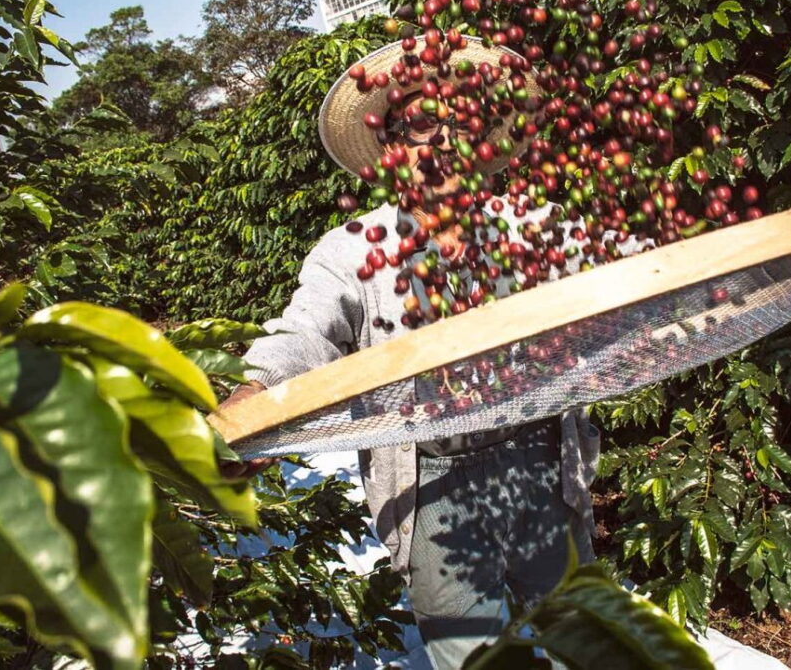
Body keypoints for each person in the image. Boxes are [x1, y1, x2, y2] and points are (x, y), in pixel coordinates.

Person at [219, 37, 611, 670]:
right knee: (471, 653)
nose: (447, 138)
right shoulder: (353, 250)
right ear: (392, 143)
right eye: (425, 123)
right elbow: (306, 333)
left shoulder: (533, 227)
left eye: (461, 118)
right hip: (433, 483)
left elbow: (613, 289)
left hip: (541, 465)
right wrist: (255, 398)